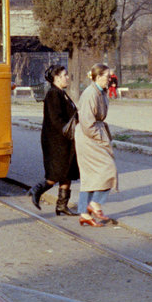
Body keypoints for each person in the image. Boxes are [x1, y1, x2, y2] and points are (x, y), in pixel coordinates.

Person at [27, 64, 80, 216]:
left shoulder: (61, 93)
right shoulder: (53, 94)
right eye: (64, 75)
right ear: (56, 78)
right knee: (56, 174)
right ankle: (37, 190)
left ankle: (61, 206)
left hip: (65, 141)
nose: (67, 77)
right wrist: (67, 130)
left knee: (68, 173)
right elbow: (55, 119)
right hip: (56, 142)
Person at [75, 63, 118, 227]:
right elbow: (87, 123)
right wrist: (101, 139)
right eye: (107, 77)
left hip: (92, 135)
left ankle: (84, 213)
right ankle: (95, 204)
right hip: (89, 137)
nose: (109, 80)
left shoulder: (99, 92)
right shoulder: (90, 94)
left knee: (90, 176)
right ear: (98, 77)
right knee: (108, 169)